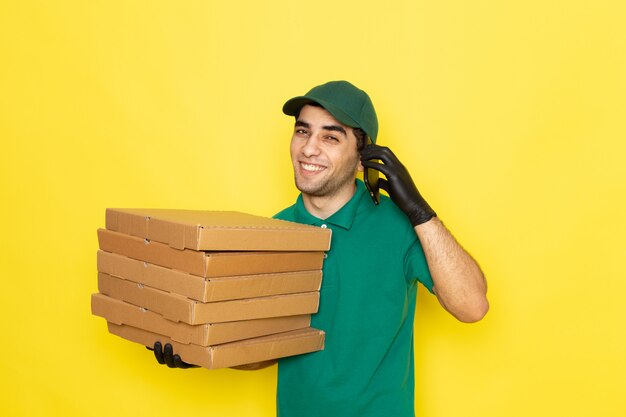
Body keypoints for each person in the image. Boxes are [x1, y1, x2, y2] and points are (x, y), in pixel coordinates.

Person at [152, 80, 489, 417]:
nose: (309, 149)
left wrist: (418, 211)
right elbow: (265, 350)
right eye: (302, 131)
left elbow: (471, 306)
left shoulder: (400, 225)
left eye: (330, 136)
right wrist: (200, 350)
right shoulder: (271, 234)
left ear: (363, 158)